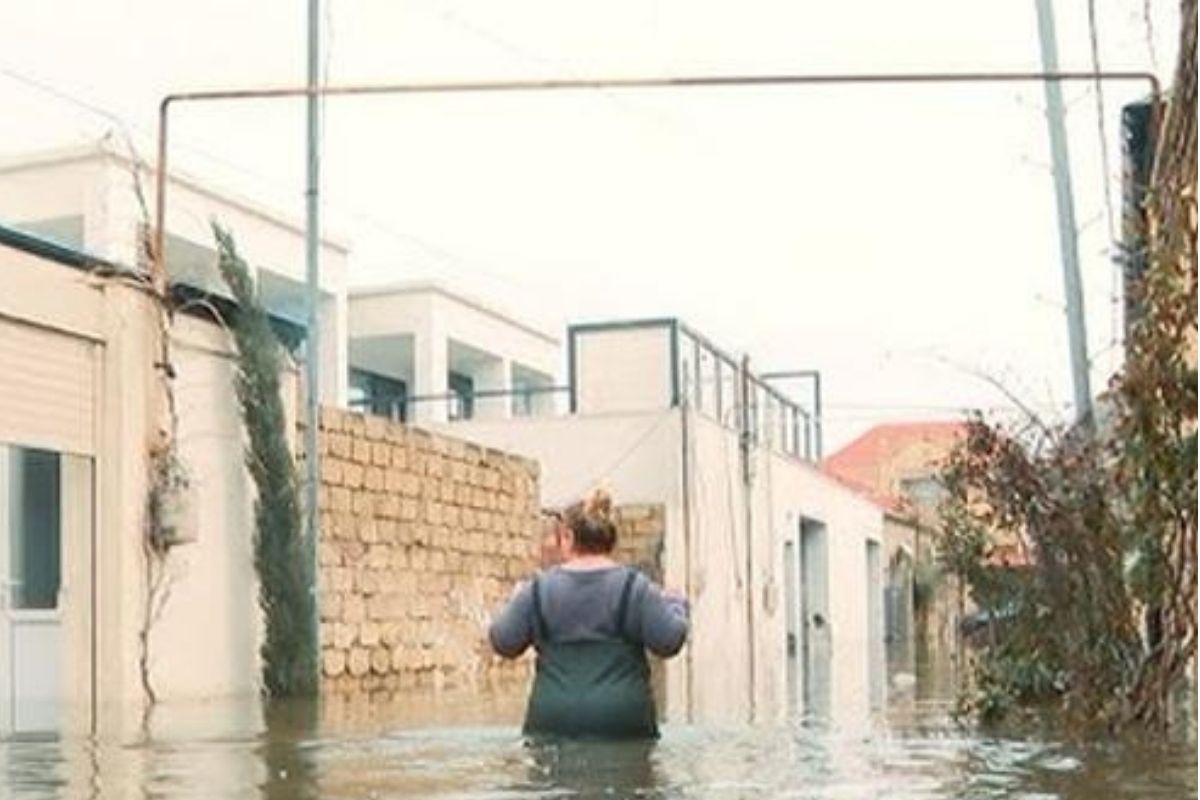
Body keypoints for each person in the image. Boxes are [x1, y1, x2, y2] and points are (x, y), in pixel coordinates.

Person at [489, 489, 689, 739]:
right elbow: (669, 641)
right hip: (623, 725)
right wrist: (676, 604)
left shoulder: (537, 590)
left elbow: (503, 642)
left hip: (553, 723)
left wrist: (514, 601)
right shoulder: (635, 588)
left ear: (568, 537)